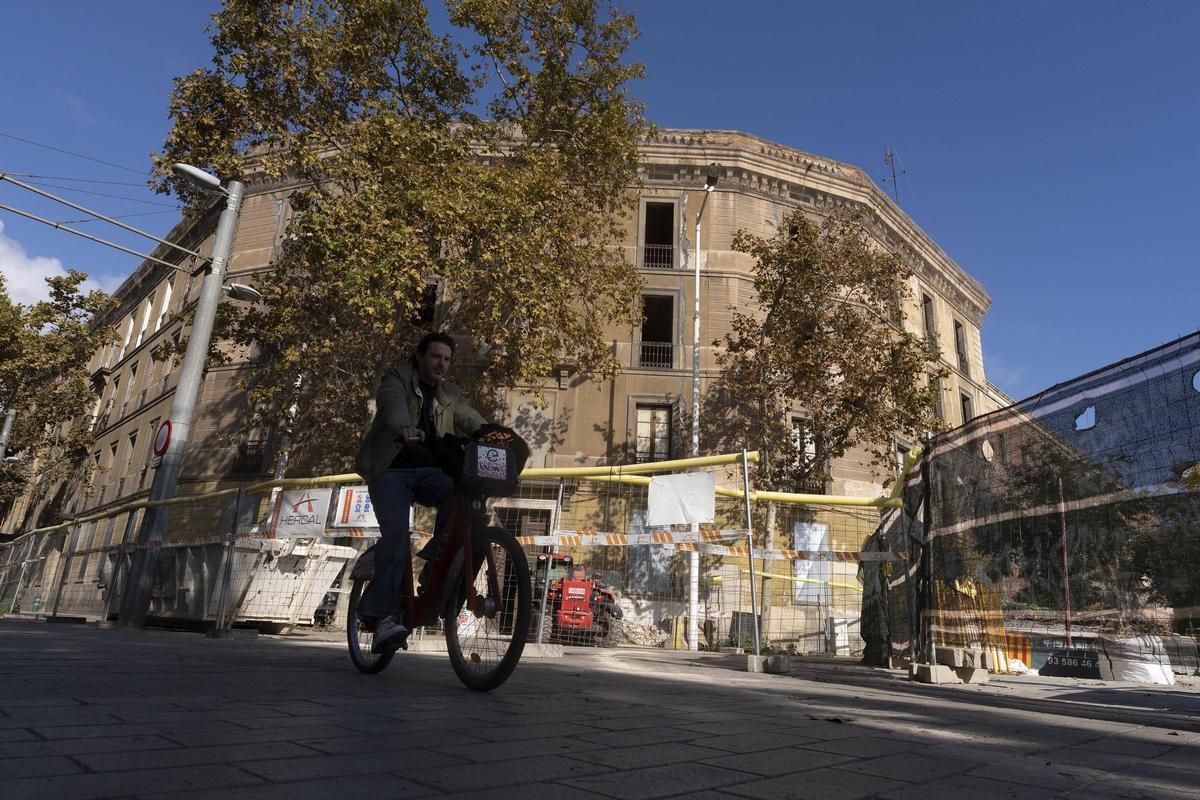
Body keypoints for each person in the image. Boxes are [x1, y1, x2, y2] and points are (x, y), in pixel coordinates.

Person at [354, 331, 486, 653]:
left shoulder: (450, 393)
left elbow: (470, 417)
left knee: (464, 502)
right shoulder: (396, 378)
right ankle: (380, 615)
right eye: (435, 356)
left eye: (446, 359)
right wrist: (404, 427)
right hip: (391, 471)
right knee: (397, 540)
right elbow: (393, 406)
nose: (441, 363)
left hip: (429, 473)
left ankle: (436, 566)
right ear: (420, 356)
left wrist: (493, 434)